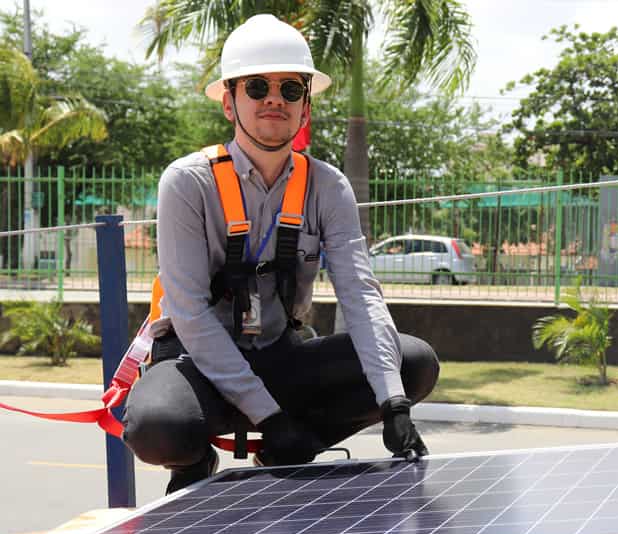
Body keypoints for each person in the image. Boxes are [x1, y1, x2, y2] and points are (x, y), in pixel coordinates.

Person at [123, 14, 439, 494]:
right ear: (230, 103)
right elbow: (187, 311)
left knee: (413, 362)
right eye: (257, 86)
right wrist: (267, 414)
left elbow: (359, 292)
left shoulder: (328, 186)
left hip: (279, 356)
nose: (275, 98)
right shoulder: (188, 182)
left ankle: (290, 447)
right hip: (199, 366)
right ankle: (195, 462)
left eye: (291, 89)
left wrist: (393, 402)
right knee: (159, 426)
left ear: (305, 107)